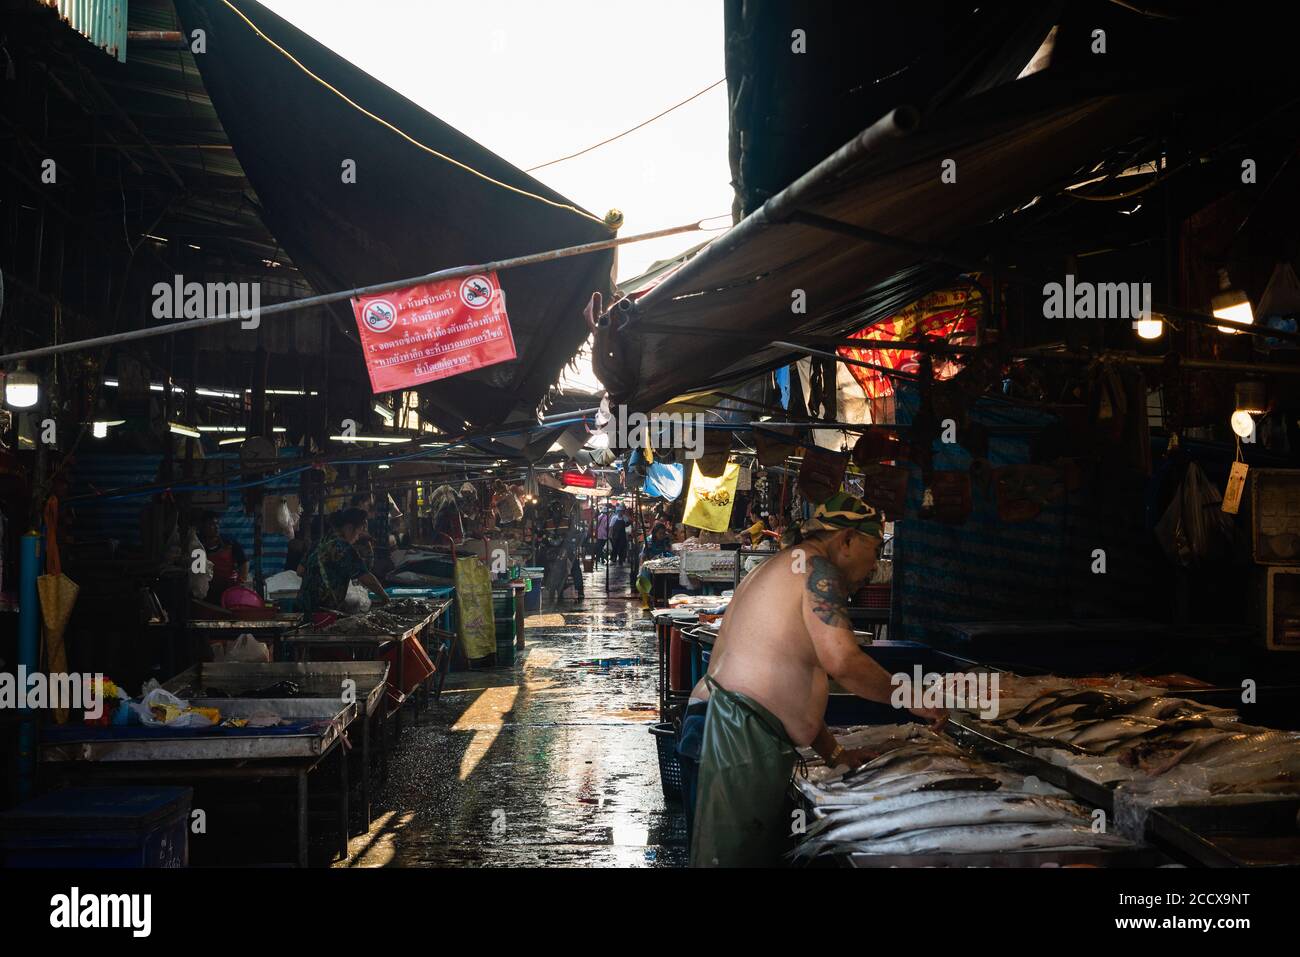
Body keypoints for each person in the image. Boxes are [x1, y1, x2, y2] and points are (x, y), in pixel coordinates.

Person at [684, 492, 945, 867]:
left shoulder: (788, 565)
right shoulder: (819, 572)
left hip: (732, 726)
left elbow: (791, 676)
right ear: (847, 540)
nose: (874, 565)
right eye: (874, 549)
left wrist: (836, 754)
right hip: (737, 732)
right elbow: (844, 662)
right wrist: (910, 695)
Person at [297, 507, 389, 614]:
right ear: (349, 528)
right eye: (358, 533)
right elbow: (366, 578)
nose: (357, 538)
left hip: (302, 607)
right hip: (322, 611)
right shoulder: (344, 548)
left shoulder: (319, 543)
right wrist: (385, 598)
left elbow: (300, 570)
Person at [198, 511, 248, 604]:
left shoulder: (230, 543)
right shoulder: (197, 546)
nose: (216, 527)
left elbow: (243, 562)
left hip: (227, 591)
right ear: (203, 527)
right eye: (212, 524)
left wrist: (240, 582)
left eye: (217, 524)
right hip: (205, 592)